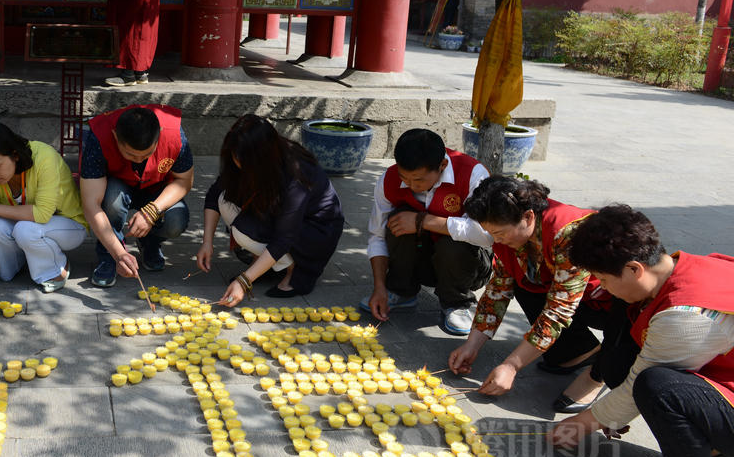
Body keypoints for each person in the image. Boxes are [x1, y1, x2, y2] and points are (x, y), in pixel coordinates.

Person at [551, 205, 734, 457]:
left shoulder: (687, 313)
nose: (603, 287)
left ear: (635, 268)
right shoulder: (678, 268)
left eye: (605, 279)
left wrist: (582, 423)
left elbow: (639, 385)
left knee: (657, 386)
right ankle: (706, 453)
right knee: (622, 360)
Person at [447, 176, 628, 410]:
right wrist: (472, 345)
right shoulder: (507, 238)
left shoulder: (568, 233)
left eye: (500, 233)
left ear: (528, 217)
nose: (496, 240)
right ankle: (581, 351)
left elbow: (559, 310)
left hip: (613, 301)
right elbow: (498, 289)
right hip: (575, 299)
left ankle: (598, 374)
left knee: (627, 315)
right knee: (523, 281)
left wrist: (511, 365)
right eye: (491, 233)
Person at [196, 115, 344, 304]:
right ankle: (264, 266)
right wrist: (207, 242)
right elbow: (214, 195)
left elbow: (284, 237)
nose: (240, 166)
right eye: (236, 158)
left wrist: (244, 281)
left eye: (246, 163)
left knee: (243, 231)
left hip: (315, 231)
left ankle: (295, 271)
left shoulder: (295, 173)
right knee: (224, 199)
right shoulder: (243, 158)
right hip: (278, 217)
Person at [361, 128, 493, 335]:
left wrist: (422, 220)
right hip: (423, 258)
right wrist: (379, 287)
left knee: (455, 239)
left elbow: (486, 235)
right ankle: (400, 290)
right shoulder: (388, 180)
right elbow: (377, 235)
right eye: (405, 177)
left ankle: (456, 303)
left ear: (442, 165)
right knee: (397, 220)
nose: (412, 186)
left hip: (469, 265)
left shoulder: (473, 175)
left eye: (419, 180)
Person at [0, 122, 87, 296]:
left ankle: (56, 269)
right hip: (32, 225)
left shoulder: (44, 157)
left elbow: (42, 213)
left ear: (14, 155)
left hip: (71, 226)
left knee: (24, 229)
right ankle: (16, 266)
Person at [80, 104, 193, 287]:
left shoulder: (175, 135)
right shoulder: (99, 138)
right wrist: (119, 254)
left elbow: (184, 181)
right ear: (116, 136)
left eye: (147, 154)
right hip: (117, 185)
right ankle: (108, 254)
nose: (139, 160)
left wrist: (151, 211)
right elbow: (91, 204)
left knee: (176, 219)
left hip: (157, 188)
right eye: (131, 155)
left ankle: (150, 242)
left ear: (160, 135)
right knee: (112, 202)